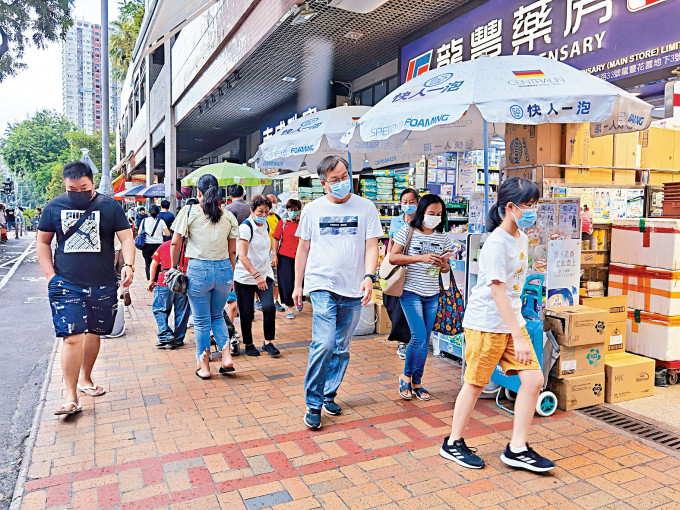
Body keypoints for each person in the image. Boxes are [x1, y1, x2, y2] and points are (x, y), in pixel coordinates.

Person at [440, 177, 554, 473]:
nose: (534, 211)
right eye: (530, 205)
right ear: (511, 207)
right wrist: (517, 333)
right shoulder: (495, 243)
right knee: (475, 384)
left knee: (533, 381)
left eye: (536, 204)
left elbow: (514, 288)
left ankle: (517, 448)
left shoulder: (522, 238)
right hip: (486, 324)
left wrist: (518, 326)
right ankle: (453, 443)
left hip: (511, 322)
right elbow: (497, 290)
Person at [36, 161, 135, 415]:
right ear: (65, 185)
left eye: (83, 187)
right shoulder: (54, 207)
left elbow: (126, 238)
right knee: (72, 337)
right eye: (72, 188)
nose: (78, 192)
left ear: (92, 183)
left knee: (93, 333)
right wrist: (50, 276)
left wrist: (130, 265)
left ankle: (86, 379)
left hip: (102, 282)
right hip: (66, 283)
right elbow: (43, 243)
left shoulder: (109, 206)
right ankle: (70, 397)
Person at [294, 156, 381, 430]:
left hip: (353, 286)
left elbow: (371, 245)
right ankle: (313, 403)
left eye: (345, 176)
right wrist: (298, 285)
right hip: (321, 284)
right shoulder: (312, 210)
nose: (343, 182)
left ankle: (329, 393)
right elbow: (303, 249)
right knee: (324, 343)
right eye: (336, 180)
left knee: (342, 347)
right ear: (323, 184)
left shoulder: (366, 207)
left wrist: (369, 276)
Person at [171, 173, 238, 379]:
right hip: (224, 270)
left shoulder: (189, 211)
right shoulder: (228, 216)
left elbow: (175, 242)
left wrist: (173, 267)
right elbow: (232, 251)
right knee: (217, 315)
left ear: (198, 192)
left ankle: (205, 367)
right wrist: (231, 276)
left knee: (201, 321)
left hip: (198, 270)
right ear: (217, 192)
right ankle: (226, 357)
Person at [390, 194, 452, 402]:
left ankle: (417, 381)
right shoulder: (407, 231)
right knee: (418, 336)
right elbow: (393, 256)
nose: (435, 217)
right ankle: (405, 377)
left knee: (426, 338)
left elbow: (446, 269)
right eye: (431, 213)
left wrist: (443, 265)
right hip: (410, 291)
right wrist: (421, 258)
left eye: (439, 214)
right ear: (422, 212)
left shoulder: (443, 236)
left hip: (432, 293)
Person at [233, 195, 280, 357]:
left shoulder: (266, 225)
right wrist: (256, 276)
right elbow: (243, 256)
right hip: (245, 277)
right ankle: (249, 343)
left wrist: (266, 275)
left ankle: (268, 342)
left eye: (267, 211)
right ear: (252, 210)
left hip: (264, 274)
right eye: (260, 211)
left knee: (269, 307)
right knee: (247, 313)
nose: (263, 214)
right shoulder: (245, 227)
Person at [386, 188, 419, 359]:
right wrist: (386, 262)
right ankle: (403, 339)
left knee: (407, 305)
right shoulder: (396, 221)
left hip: (414, 269)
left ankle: (405, 341)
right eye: (404, 202)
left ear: (417, 203)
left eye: (411, 202)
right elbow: (391, 242)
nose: (408, 205)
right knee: (392, 303)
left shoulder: (422, 222)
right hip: (397, 268)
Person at [148, 239, 190, 349]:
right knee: (182, 311)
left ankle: (165, 334)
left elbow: (154, 263)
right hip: (183, 281)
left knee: (159, 309)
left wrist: (152, 281)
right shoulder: (190, 245)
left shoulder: (165, 245)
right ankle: (178, 339)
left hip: (165, 279)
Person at [272, 198, 302, 319]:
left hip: (300, 256)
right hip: (285, 256)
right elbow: (276, 239)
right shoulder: (283, 223)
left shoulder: (303, 223)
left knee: (300, 280)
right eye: (290, 210)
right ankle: (290, 307)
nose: (292, 212)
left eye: (295, 210)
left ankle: (299, 300)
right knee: (287, 282)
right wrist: (274, 254)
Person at [138, 204, 170, 280]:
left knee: (148, 263)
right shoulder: (161, 222)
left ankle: (149, 281)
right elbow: (168, 234)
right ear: (158, 212)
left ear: (149, 212)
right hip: (158, 246)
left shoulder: (144, 221)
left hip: (146, 245)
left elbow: (139, 232)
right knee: (157, 263)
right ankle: (155, 280)